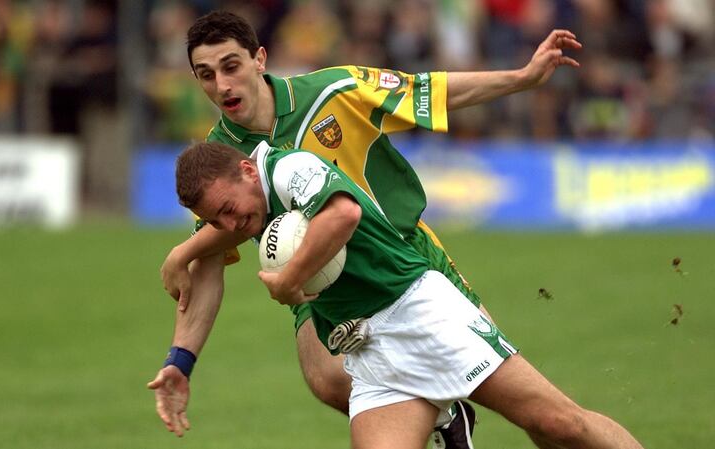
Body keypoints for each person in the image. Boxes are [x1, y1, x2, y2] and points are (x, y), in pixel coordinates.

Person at [151, 10, 582, 446]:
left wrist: (522, 78)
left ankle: (463, 413)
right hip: (317, 276)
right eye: (206, 75)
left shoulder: (332, 90)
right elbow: (210, 260)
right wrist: (180, 358)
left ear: (259, 59)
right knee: (328, 379)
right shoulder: (216, 160)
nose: (221, 85)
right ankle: (443, 421)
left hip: (405, 258)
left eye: (231, 66)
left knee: (537, 415)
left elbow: (426, 91)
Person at [161, 140, 645, 449]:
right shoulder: (248, 204)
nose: (229, 226)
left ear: (248, 171)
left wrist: (290, 282)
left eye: (228, 210)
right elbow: (228, 228)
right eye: (216, 219)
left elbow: (343, 215)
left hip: (421, 311)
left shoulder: (291, 167)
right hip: (369, 349)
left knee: (560, 426)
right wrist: (182, 253)